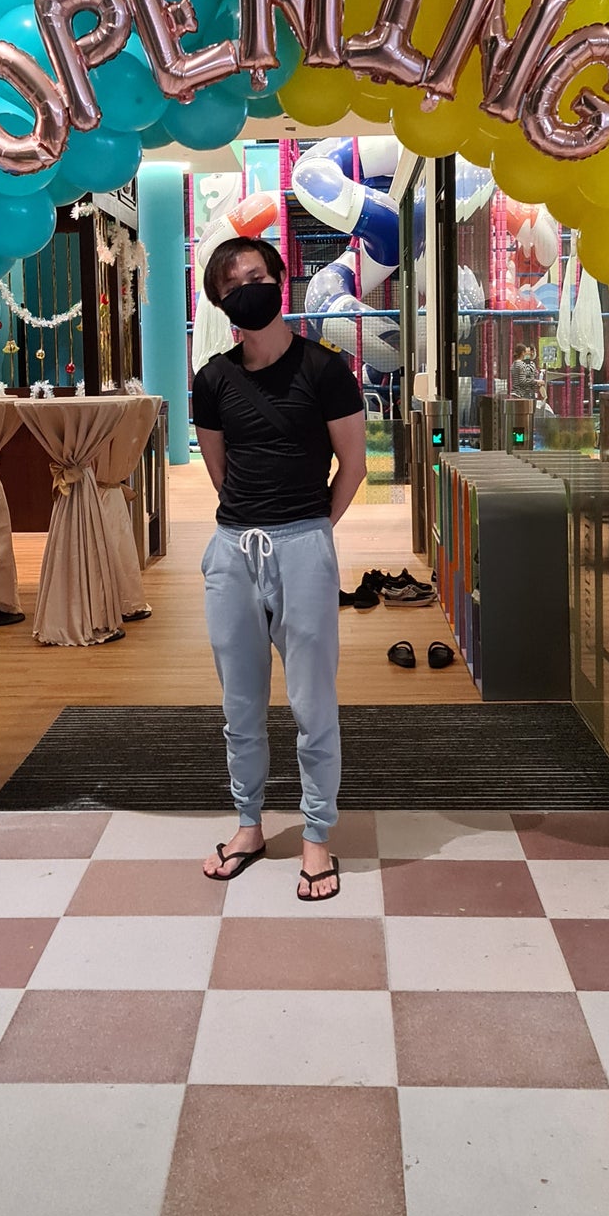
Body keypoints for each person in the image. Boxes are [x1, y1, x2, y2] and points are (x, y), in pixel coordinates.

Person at [192, 237, 366, 902]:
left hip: (303, 545)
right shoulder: (212, 379)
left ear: (280, 279)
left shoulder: (325, 369)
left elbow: (353, 465)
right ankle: (248, 825)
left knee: (312, 701)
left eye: (256, 275)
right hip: (232, 549)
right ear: (220, 301)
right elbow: (221, 472)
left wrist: (310, 529)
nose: (246, 289)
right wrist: (255, 524)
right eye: (231, 284)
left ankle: (317, 833)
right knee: (239, 704)